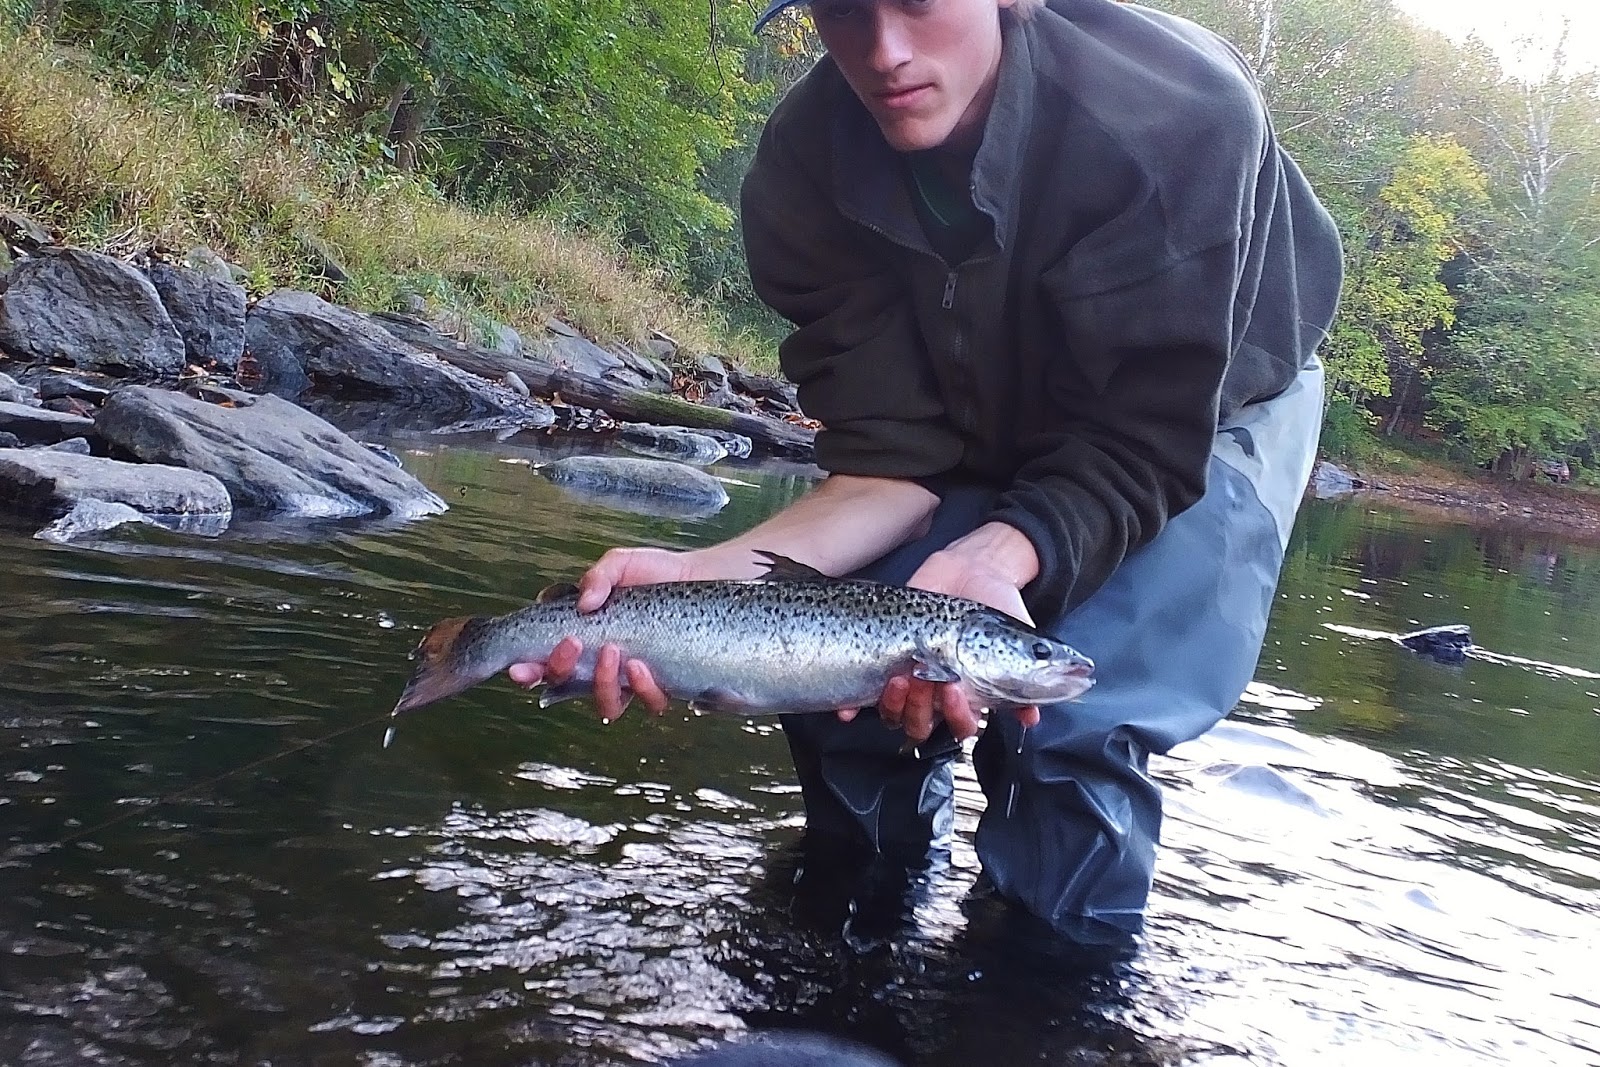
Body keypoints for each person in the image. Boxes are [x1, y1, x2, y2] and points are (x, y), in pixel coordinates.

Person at [510, 0, 1342, 943]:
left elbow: (1137, 443)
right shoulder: (804, 163)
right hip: (972, 393)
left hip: (1206, 410)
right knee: (833, 680)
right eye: (842, 9)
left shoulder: (1177, 115)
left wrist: (997, 553)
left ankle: (1047, 984)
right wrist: (708, 572)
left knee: (1073, 727)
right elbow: (889, 470)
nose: (884, 51)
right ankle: (847, 939)